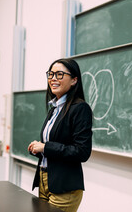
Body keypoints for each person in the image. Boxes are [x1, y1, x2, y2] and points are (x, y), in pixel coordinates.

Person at [28, 58, 93, 212]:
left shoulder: (80, 108)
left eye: (59, 74)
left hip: (64, 186)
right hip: (45, 180)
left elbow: (81, 152)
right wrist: (39, 149)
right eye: (51, 74)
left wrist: (46, 147)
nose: (53, 79)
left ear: (74, 80)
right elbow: (56, 146)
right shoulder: (54, 108)